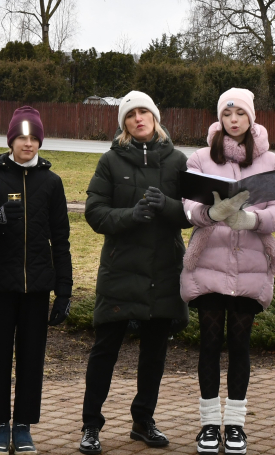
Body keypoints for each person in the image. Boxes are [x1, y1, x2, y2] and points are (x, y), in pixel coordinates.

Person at [181, 88, 275, 455]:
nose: (233, 119)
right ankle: (210, 425)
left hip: (251, 267)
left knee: (240, 346)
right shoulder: (199, 158)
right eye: (227, 113)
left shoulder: (271, 161)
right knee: (210, 344)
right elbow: (187, 207)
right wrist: (209, 214)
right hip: (208, 265)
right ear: (219, 117)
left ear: (251, 118)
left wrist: (253, 218)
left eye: (240, 113)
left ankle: (237, 427)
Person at [79, 91, 190, 455]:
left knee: (154, 353)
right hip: (120, 270)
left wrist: (168, 206)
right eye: (131, 115)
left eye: (144, 112)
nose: (138, 118)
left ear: (155, 117)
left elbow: (194, 214)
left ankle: (143, 421)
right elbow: (94, 213)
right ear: (124, 123)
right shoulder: (110, 161)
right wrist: (131, 216)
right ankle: (91, 425)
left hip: (163, 270)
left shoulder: (177, 161)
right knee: (104, 351)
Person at [0, 106, 73, 455]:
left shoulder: (52, 183)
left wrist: (64, 291)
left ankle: (24, 425)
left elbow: (61, 240)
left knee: (32, 358)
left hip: (38, 288)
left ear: (39, 140)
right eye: (21, 137)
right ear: (10, 139)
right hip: (0, 284)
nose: (27, 144)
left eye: (33, 137)